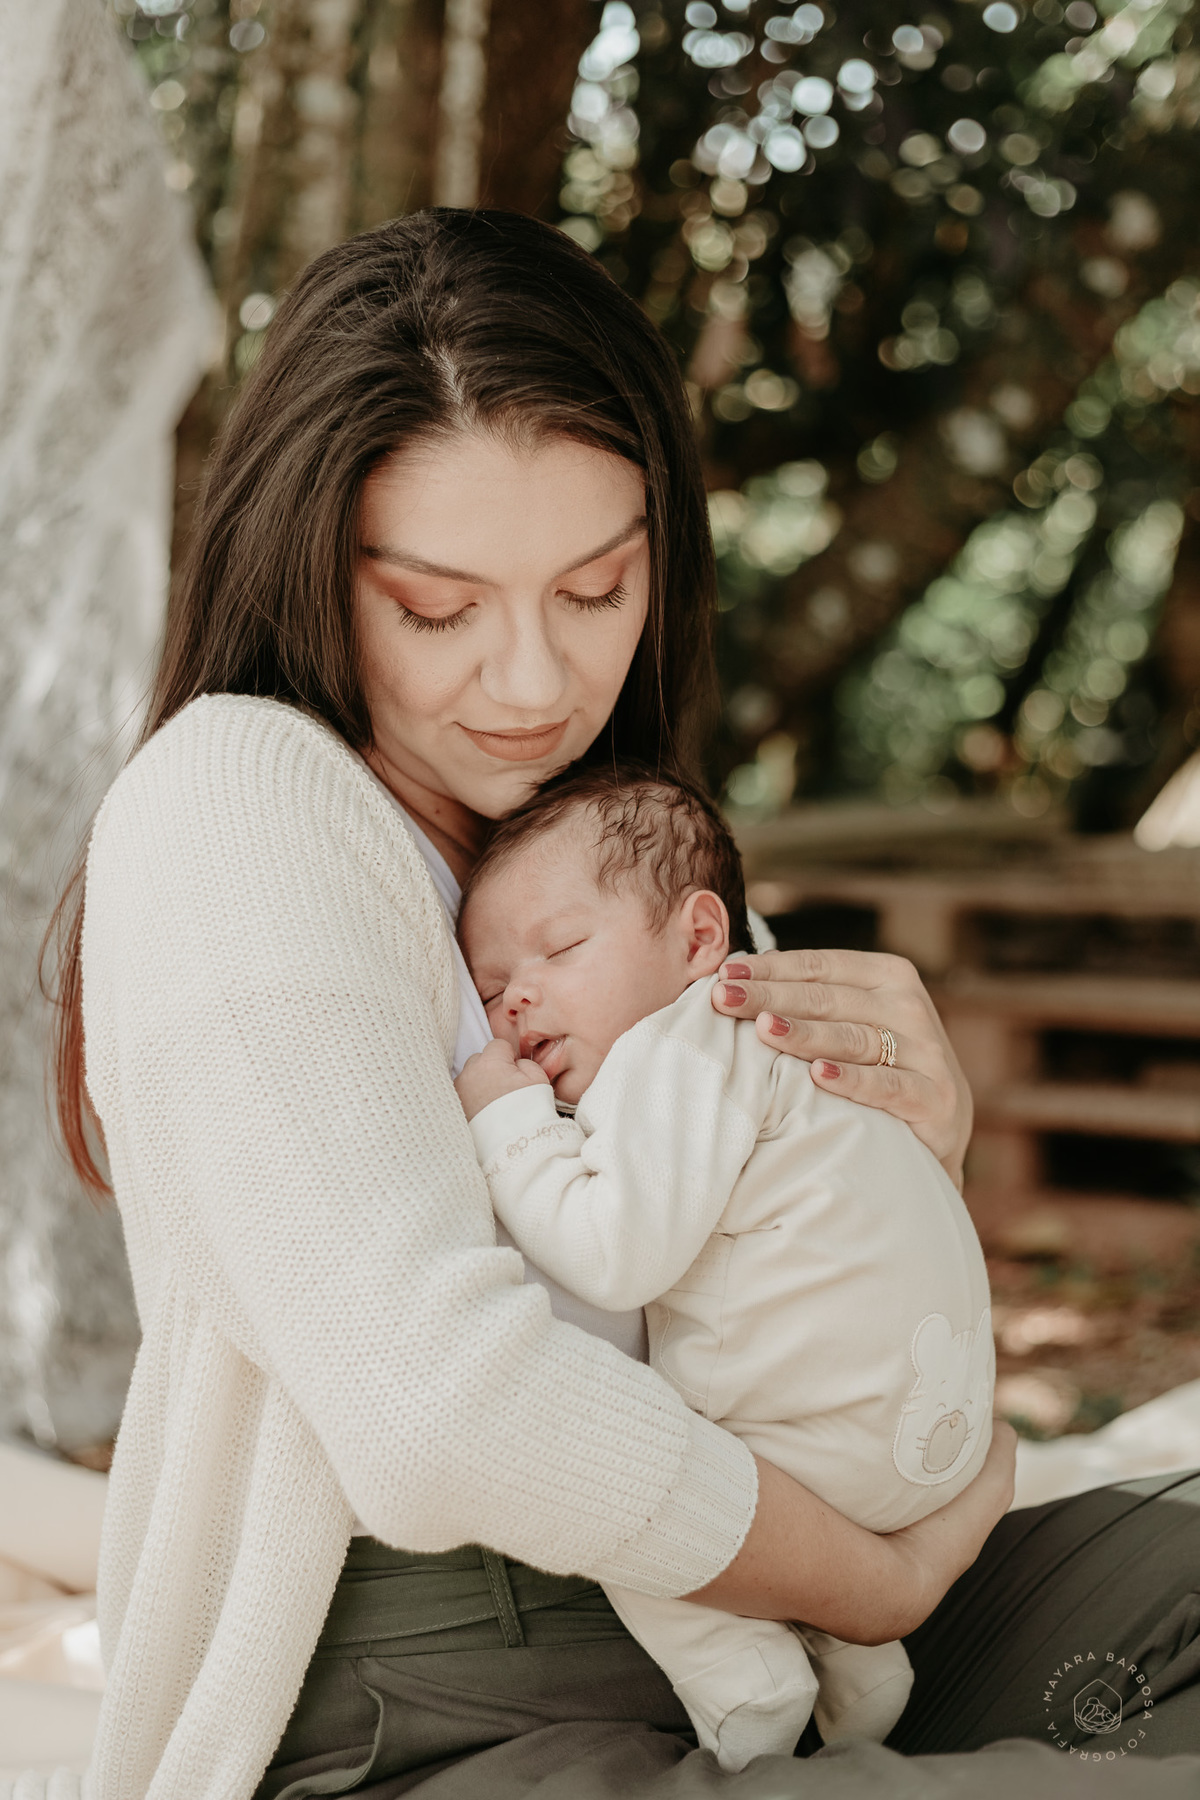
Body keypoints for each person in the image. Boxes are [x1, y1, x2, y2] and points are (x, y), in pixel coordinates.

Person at [44, 211, 1200, 1800]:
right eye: (437, 609)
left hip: (772, 1591)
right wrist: (869, 1587)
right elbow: (431, 1410)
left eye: (595, 588)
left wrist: (906, 1154)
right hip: (443, 1680)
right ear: (311, 570)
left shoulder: (608, 847)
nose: (532, 684)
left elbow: (789, 1285)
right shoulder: (244, 800)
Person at [453, 763, 995, 1769]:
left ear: (702, 939)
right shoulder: (775, 1041)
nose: (517, 997)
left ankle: (749, 1690)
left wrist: (510, 1120)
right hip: (925, 1421)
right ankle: (861, 1669)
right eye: (488, 990)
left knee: (625, 1495)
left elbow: (614, 1255)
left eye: (561, 948)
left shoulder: (683, 1046)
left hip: (837, 1445)